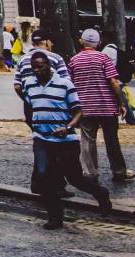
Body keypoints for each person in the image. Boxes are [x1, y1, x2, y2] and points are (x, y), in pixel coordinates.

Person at [22, 48, 111, 229]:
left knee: (74, 178)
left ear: (48, 66)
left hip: (66, 141)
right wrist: (35, 126)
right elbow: (29, 106)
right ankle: (55, 216)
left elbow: (79, 110)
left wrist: (68, 127)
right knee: (43, 176)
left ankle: (101, 193)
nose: (36, 71)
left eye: (40, 67)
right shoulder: (29, 84)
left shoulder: (64, 84)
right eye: (33, 68)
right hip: (42, 139)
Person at [68, 29, 135, 184]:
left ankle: (90, 173)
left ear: (81, 41)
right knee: (112, 139)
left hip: (86, 107)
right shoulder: (104, 58)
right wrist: (121, 104)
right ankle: (119, 171)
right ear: (98, 43)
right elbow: (114, 82)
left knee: (88, 140)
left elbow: (70, 84)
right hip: (107, 106)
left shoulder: (74, 60)